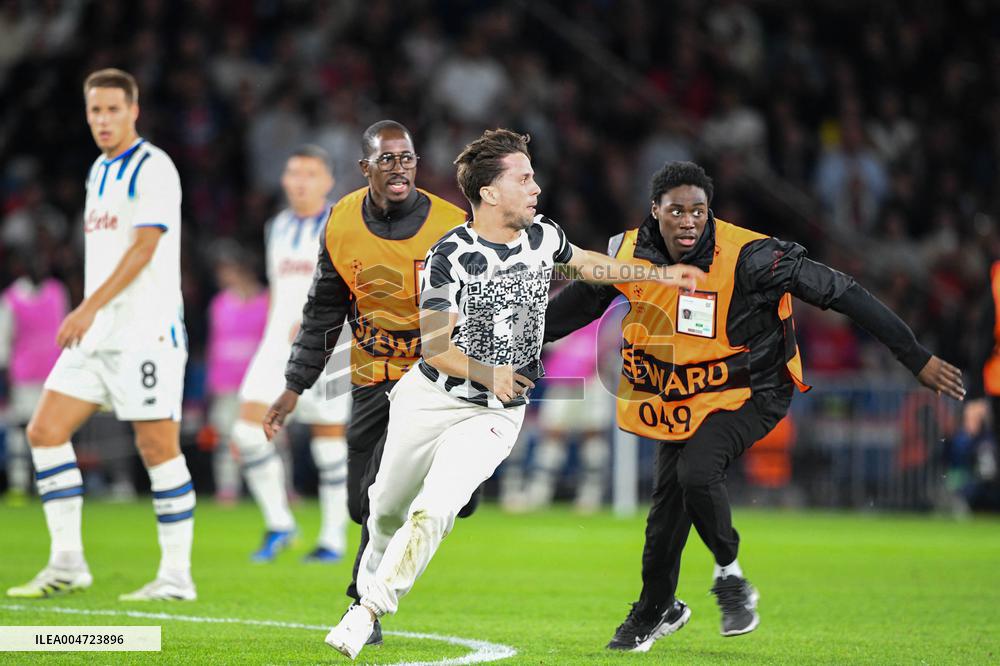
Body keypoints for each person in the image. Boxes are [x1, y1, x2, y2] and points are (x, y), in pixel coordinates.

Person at [543, 161, 965, 652]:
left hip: (752, 391)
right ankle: (656, 608)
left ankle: (731, 577)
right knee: (664, 517)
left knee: (697, 471)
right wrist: (516, 344)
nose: (688, 221)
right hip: (682, 397)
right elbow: (579, 304)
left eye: (698, 210)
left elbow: (841, 291)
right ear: (654, 210)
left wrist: (914, 356)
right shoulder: (628, 254)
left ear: (710, 212)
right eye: (676, 210)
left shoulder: (754, 257)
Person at [322, 129, 704, 661]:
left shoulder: (543, 236)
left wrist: (659, 274)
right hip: (429, 399)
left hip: (495, 414)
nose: (536, 188)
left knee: (435, 509)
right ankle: (366, 594)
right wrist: (489, 372)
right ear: (489, 192)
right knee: (383, 510)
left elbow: (590, 264)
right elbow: (436, 348)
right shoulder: (448, 255)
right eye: (523, 178)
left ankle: (367, 613)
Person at [263, 121, 469, 641]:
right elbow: (323, 310)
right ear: (365, 167)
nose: (399, 167)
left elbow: (480, 309)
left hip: (437, 380)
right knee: (364, 501)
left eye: (407, 158)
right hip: (373, 375)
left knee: (392, 497)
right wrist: (294, 385)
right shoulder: (340, 221)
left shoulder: (452, 224)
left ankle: (362, 608)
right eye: (387, 159)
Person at [6, 68, 196, 600]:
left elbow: (144, 248)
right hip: (98, 335)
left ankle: (176, 576)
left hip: (145, 335)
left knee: (157, 447)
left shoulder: (153, 167)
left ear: (134, 110)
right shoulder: (99, 170)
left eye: (114, 109)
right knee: (44, 431)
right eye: (95, 110)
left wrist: (87, 306)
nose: (104, 119)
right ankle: (67, 563)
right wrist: (92, 313)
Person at [230, 146, 353, 563]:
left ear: (328, 181)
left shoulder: (343, 224)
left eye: (310, 174)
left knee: (328, 443)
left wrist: (323, 322)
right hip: (276, 346)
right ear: (284, 180)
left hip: (331, 344)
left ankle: (332, 539)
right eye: (294, 173)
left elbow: (360, 285)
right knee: (247, 432)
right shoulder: (277, 226)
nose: (300, 181)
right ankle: (280, 523)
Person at [204, 243, 268, 504]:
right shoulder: (219, 304)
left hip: (260, 380)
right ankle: (227, 488)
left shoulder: (267, 301)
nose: (222, 276)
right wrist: (212, 380)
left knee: (270, 435)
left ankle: (279, 489)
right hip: (227, 382)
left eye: (227, 269)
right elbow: (214, 343)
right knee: (225, 437)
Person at [0, 259, 68, 505]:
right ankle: (18, 484)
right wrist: (5, 377)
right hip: (24, 375)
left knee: (53, 429)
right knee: (21, 429)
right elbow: (3, 339)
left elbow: (65, 325)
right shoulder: (11, 299)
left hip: (54, 372)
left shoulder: (56, 291)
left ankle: (50, 482)